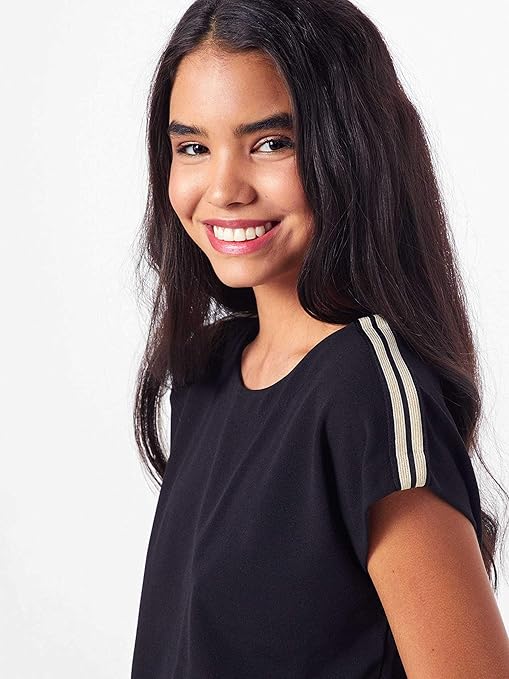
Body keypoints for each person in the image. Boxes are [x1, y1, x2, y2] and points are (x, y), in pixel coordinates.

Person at [130, 1, 509, 677]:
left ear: (350, 150)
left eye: (270, 143)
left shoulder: (365, 390)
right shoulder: (206, 373)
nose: (223, 188)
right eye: (193, 147)